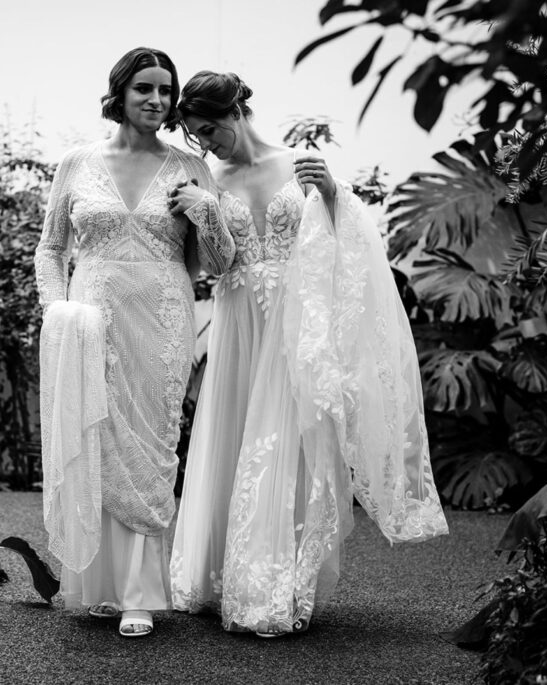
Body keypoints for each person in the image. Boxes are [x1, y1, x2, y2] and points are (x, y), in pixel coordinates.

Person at [168, 71, 449, 637]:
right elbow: (219, 267)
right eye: (197, 135)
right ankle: (213, 576)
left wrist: (331, 193)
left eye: (210, 129)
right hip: (238, 323)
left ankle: (270, 586)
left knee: (285, 445)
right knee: (231, 439)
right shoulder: (209, 177)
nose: (207, 142)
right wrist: (204, 209)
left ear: (236, 110)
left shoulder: (299, 163)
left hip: (296, 324)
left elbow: (350, 245)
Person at [34, 49, 235, 638]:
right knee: (96, 439)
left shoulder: (189, 168)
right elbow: (51, 248)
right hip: (89, 319)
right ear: (119, 93)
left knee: (151, 448)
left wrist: (208, 213)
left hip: (163, 321)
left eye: (165, 92)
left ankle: (142, 593)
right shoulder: (76, 162)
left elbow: (218, 265)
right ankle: (99, 586)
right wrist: (56, 312)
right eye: (144, 88)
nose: (156, 100)